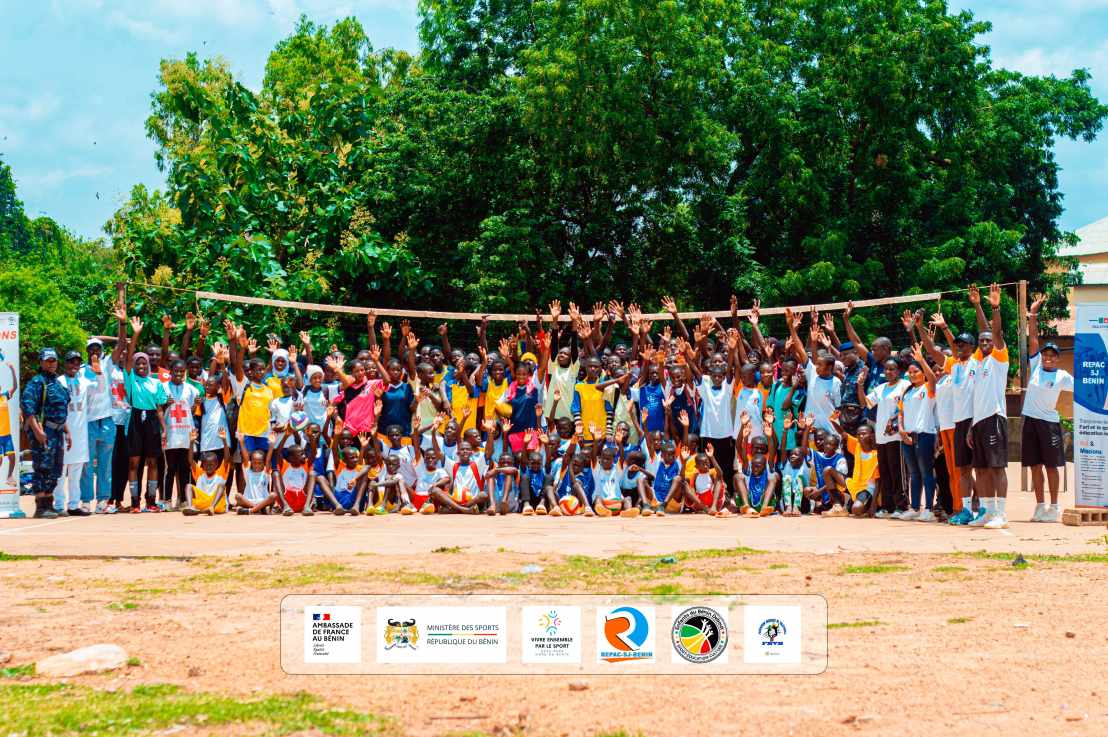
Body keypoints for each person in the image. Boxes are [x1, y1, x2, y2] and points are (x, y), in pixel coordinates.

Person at [1022, 296, 1073, 523]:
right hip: (1030, 422)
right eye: (1046, 354)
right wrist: (1033, 314)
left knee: (1052, 467)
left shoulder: (1063, 376)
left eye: (1052, 355)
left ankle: (1054, 507)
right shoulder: (1035, 367)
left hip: (1050, 424)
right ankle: (1040, 506)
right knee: (1035, 466)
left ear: (1057, 359)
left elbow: (1084, 388)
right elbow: (1033, 339)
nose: (1048, 358)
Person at [967, 284, 1011, 529]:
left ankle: (1001, 514)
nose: (985, 342)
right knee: (981, 470)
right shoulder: (977, 362)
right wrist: (976, 304)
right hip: (979, 422)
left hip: (995, 418)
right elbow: (983, 330)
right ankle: (986, 512)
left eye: (988, 340)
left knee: (996, 468)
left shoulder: (999, 358)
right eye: (981, 341)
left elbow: (994, 331)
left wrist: (994, 307)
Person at [123, 318, 168, 513]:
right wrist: (135, 334)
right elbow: (128, 357)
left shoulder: (155, 383)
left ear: (148, 365)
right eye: (138, 363)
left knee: (152, 461)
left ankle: (151, 500)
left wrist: (164, 429)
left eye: (144, 363)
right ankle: (135, 502)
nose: (141, 366)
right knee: (134, 462)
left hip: (151, 420)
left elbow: (159, 408)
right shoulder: (131, 379)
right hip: (135, 419)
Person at [22, 348, 70, 518]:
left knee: (55, 469)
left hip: (58, 432)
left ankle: (49, 504)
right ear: (41, 362)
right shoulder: (37, 382)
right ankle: (41, 507)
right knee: (43, 467)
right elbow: (28, 408)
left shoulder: (57, 383)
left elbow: (62, 409)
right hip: (44, 431)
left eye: (54, 360)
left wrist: (67, 431)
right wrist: (37, 431)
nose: (51, 364)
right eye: (48, 361)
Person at [860, 358, 910, 518]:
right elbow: (866, 403)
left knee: (898, 472)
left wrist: (895, 420)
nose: (888, 372)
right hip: (881, 437)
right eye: (886, 369)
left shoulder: (905, 385)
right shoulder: (880, 388)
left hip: (897, 435)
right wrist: (860, 385)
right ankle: (888, 507)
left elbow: (906, 407)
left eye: (892, 369)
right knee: (885, 472)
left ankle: (902, 506)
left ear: (899, 371)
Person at [898, 344, 939, 521]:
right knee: (914, 474)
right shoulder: (907, 392)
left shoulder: (928, 388)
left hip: (924, 435)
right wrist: (901, 430)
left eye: (916, 371)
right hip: (907, 437)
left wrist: (921, 360)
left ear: (923, 373)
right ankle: (915, 507)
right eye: (910, 372)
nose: (912, 374)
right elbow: (901, 413)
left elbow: (933, 378)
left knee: (926, 472)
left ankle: (929, 509)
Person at [80, 336, 120, 513]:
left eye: (97, 348)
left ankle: (103, 500)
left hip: (107, 420)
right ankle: (86, 500)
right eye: (91, 348)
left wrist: (121, 325)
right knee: (87, 463)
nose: (94, 351)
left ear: (102, 350)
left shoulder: (107, 364)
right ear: (87, 351)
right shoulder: (81, 371)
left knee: (105, 463)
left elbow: (121, 344)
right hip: (88, 421)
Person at [55, 351, 94, 516]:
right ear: (65, 363)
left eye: (77, 363)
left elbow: (99, 389)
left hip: (80, 433)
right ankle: (58, 505)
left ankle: (73, 505)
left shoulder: (85, 382)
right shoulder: (59, 382)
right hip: (63, 431)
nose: (74, 366)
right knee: (60, 472)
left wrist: (98, 371)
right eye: (71, 362)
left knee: (76, 473)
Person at [162, 359, 201, 510]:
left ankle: (183, 500)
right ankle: (166, 500)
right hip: (171, 432)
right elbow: (158, 408)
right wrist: (165, 403)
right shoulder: (163, 387)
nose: (179, 374)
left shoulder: (191, 389)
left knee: (185, 467)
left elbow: (191, 411)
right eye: (176, 371)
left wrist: (196, 405)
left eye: (181, 371)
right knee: (170, 468)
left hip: (185, 433)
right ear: (170, 371)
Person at [182, 428, 231, 516]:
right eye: (206, 465)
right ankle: (190, 507)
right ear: (203, 465)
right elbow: (190, 460)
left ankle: (211, 508)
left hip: (217, 504)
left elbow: (227, 458)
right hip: (202, 503)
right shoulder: (200, 473)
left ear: (216, 464)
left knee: (222, 485)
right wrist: (191, 442)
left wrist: (224, 440)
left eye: (211, 465)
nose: (208, 467)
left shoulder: (220, 473)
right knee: (188, 486)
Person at [0, 358, 16, 488]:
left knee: (12, 457)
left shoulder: (4, 396)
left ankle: (9, 477)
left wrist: (12, 370)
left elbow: (14, 387)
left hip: (7, 435)